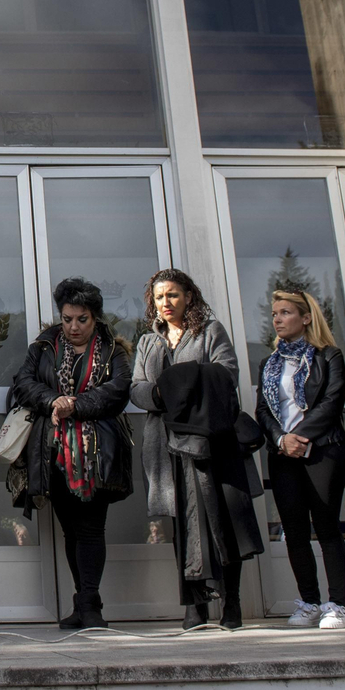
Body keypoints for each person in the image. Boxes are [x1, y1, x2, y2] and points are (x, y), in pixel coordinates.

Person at [9, 278, 132, 629]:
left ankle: (91, 607)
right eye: (67, 319)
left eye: (82, 319)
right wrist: (52, 400)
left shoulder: (112, 349)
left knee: (91, 528)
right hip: (53, 453)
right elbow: (23, 383)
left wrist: (75, 404)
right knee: (71, 532)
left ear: (95, 318)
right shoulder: (45, 345)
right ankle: (83, 604)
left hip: (98, 455)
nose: (74, 327)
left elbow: (118, 391)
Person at [129, 267, 240, 627]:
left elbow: (227, 373)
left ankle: (232, 602)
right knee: (180, 521)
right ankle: (194, 605)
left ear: (188, 296)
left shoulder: (209, 332)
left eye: (173, 295)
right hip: (163, 446)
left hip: (205, 440)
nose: (166, 303)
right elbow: (137, 389)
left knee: (215, 517)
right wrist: (164, 393)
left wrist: (182, 387)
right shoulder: (148, 341)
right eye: (159, 297)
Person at [255, 289, 345, 630]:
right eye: (274, 314)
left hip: (323, 450)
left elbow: (332, 402)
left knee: (326, 527)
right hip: (283, 454)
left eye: (285, 313)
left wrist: (302, 435)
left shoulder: (329, 356)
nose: (277, 319)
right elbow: (264, 410)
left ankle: (338, 604)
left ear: (306, 317)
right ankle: (309, 602)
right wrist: (282, 439)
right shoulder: (269, 364)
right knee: (295, 531)